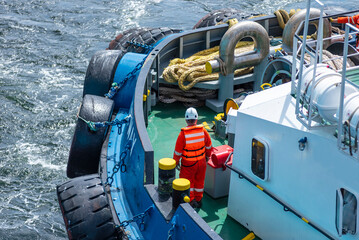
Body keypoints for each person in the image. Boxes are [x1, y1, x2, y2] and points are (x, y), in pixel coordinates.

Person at [173, 107, 212, 208]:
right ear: (197, 119)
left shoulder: (183, 134)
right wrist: (207, 156)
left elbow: (178, 152)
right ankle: (198, 200)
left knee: (187, 182)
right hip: (202, 162)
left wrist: (176, 162)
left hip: (188, 164)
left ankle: (190, 200)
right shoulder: (203, 131)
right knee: (199, 181)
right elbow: (209, 146)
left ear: (186, 119)